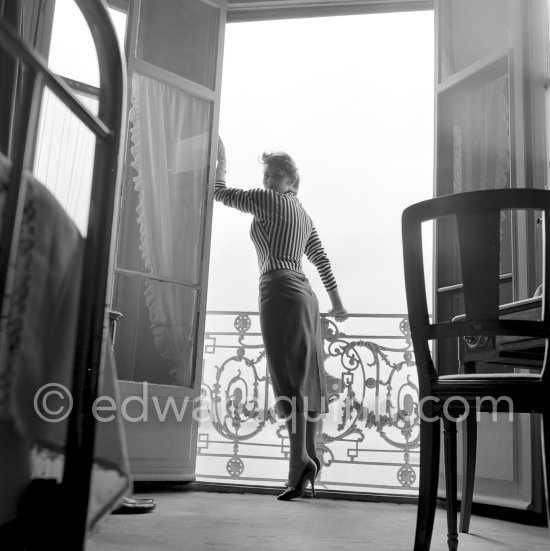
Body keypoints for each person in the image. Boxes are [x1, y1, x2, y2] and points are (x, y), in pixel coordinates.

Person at [214, 139, 348, 500]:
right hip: (306, 297)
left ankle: (299, 461)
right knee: (304, 377)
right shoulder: (303, 214)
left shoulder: (267, 200)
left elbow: (218, 192)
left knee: (286, 376)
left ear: (292, 179)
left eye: (275, 175)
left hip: (278, 287)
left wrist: (221, 160)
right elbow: (321, 259)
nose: (269, 180)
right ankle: (303, 462)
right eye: (266, 175)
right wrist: (338, 305)